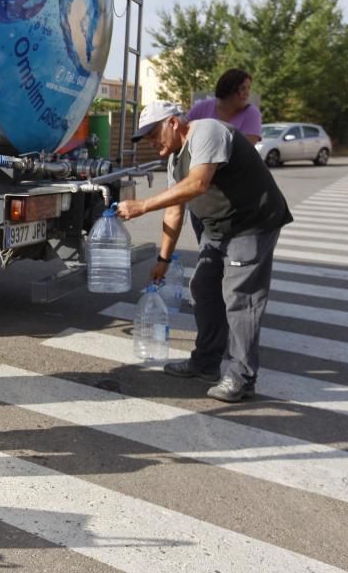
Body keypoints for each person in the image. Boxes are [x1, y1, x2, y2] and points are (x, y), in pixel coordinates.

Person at [116, 100, 292, 403]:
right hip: (218, 228)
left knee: (241, 298)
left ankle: (242, 377)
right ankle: (206, 363)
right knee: (203, 289)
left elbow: (198, 184)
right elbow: (174, 211)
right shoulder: (175, 160)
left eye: (153, 133)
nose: (151, 142)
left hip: (251, 224)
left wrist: (142, 205)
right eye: (146, 138)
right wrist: (163, 259)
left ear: (173, 123)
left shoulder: (207, 132)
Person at [185, 68, 262, 241]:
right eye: (243, 88)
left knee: (229, 246)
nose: (247, 94)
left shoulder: (251, 113)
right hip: (202, 192)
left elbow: (244, 150)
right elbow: (183, 137)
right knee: (206, 245)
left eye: (248, 89)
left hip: (234, 194)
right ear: (229, 88)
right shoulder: (203, 108)